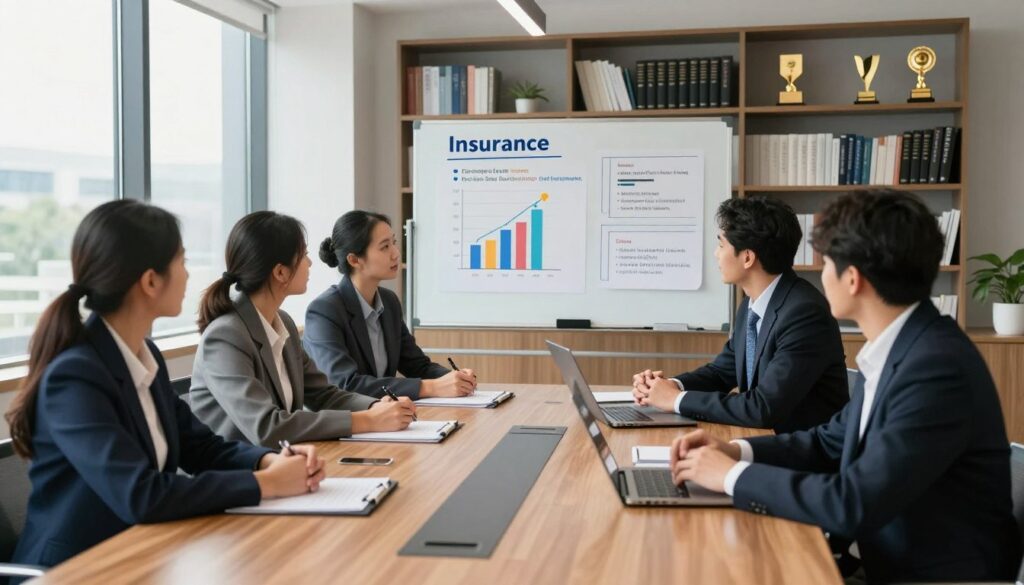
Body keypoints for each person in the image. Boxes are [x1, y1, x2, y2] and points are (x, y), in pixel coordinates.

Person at [670, 190, 1021, 583]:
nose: (819, 279)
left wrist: (730, 476)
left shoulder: (935, 369)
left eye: (826, 266)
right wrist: (735, 450)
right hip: (873, 554)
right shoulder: (902, 347)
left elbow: (852, 501)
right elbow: (827, 441)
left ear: (852, 279)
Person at [4, 200, 323, 570]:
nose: (188, 276)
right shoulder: (75, 376)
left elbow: (200, 446)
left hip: (142, 551)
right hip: (77, 569)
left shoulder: (144, 353)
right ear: (151, 281)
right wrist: (267, 485)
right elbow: (140, 494)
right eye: (182, 262)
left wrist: (269, 460)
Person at [189, 211, 416, 448]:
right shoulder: (225, 336)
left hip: (286, 463)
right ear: (280, 272)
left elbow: (324, 394)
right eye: (304, 255)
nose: (309, 263)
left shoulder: (282, 322)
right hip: (241, 476)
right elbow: (267, 427)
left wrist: (375, 406)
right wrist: (366, 420)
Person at [632, 197, 848, 432]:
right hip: (764, 440)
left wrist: (674, 400)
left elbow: (762, 407)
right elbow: (721, 372)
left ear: (747, 257)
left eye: (721, 245)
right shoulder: (751, 305)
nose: (716, 254)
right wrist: (667, 386)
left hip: (799, 454)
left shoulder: (804, 314)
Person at [304, 210, 476, 399]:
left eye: (393, 242)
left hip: (388, 418)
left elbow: (417, 366)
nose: (395, 253)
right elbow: (346, 384)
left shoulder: (389, 302)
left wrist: (453, 378)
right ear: (354, 260)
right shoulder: (324, 310)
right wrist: (431, 387)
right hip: (349, 424)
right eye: (384, 247)